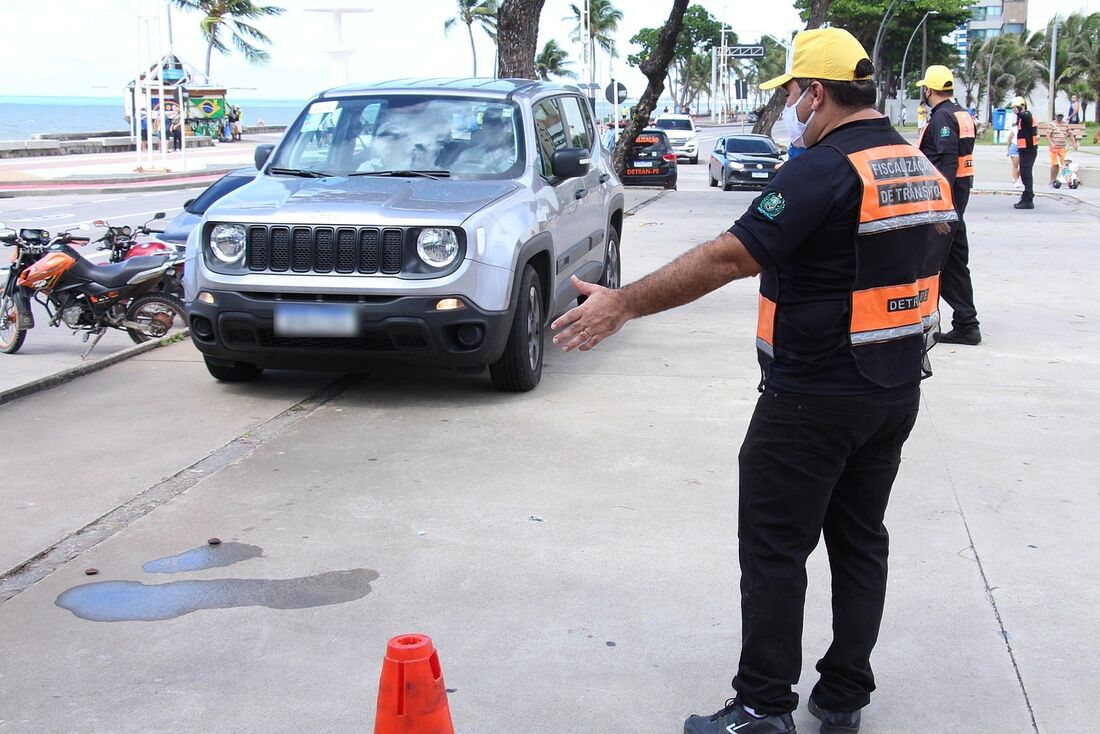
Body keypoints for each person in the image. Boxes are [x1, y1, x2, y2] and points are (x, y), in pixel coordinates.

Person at [552, 28, 955, 734]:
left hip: (814, 398)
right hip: (893, 388)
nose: (793, 107)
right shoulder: (917, 165)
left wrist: (622, 303)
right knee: (861, 540)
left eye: (794, 93)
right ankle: (843, 696)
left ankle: (764, 705)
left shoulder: (821, 170)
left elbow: (727, 258)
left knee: (775, 549)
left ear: (817, 92)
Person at [916, 64, 981, 345]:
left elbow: (946, 161)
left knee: (930, 262)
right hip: (958, 199)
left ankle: (924, 320)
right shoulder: (961, 114)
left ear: (929, 89)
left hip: (945, 203)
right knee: (954, 263)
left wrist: (940, 208)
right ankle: (967, 323)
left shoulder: (942, 118)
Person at [1012, 96, 1038, 209]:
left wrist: (1019, 111)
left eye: (1016, 107)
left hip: (1029, 150)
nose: (1015, 110)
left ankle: (1028, 199)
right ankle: (1026, 197)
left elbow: (1025, 115)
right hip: (1025, 150)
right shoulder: (1022, 118)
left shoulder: (1027, 115)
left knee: (1026, 174)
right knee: (1024, 173)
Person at [1046, 113, 1076, 186]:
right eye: (1058, 116)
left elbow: (1070, 134)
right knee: (1055, 164)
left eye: (1061, 116)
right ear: (1055, 116)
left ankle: (1068, 179)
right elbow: (1048, 135)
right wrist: (1051, 144)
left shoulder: (1066, 124)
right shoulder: (1052, 125)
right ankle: (1052, 180)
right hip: (1054, 148)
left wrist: (1073, 143)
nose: (1059, 118)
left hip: (1062, 147)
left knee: (1064, 164)